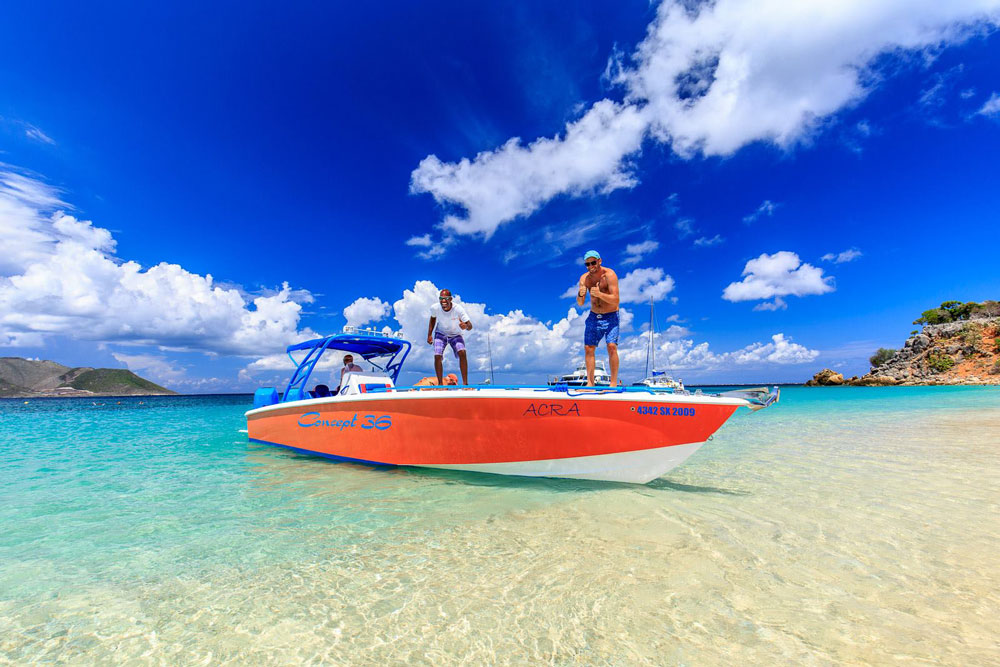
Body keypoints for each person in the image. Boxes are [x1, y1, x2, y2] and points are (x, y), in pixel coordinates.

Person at [576, 250, 620, 386]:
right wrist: (580, 293)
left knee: (611, 346)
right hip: (594, 316)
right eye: (587, 264)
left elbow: (616, 300)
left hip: (611, 315)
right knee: (589, 348)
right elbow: (580, 303)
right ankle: (590, 384)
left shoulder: (610, 275)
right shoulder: (584, 279)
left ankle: (613, 384)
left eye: (593, 262)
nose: (590, 266)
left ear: (599, 261)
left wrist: (600, 294)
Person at [427, 289, 473, 385]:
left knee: (462, 352)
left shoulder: (458, 309)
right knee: (437, 355)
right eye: (441, 298)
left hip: (455, 334)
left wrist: (465, 326)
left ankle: (465, 384)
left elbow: (470, 326)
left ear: (451, 299)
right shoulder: (435, 308)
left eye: (446, 298)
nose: (443, 301)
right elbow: (432, 319)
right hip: (440, 333)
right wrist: (429, 335)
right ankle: (440, 385)